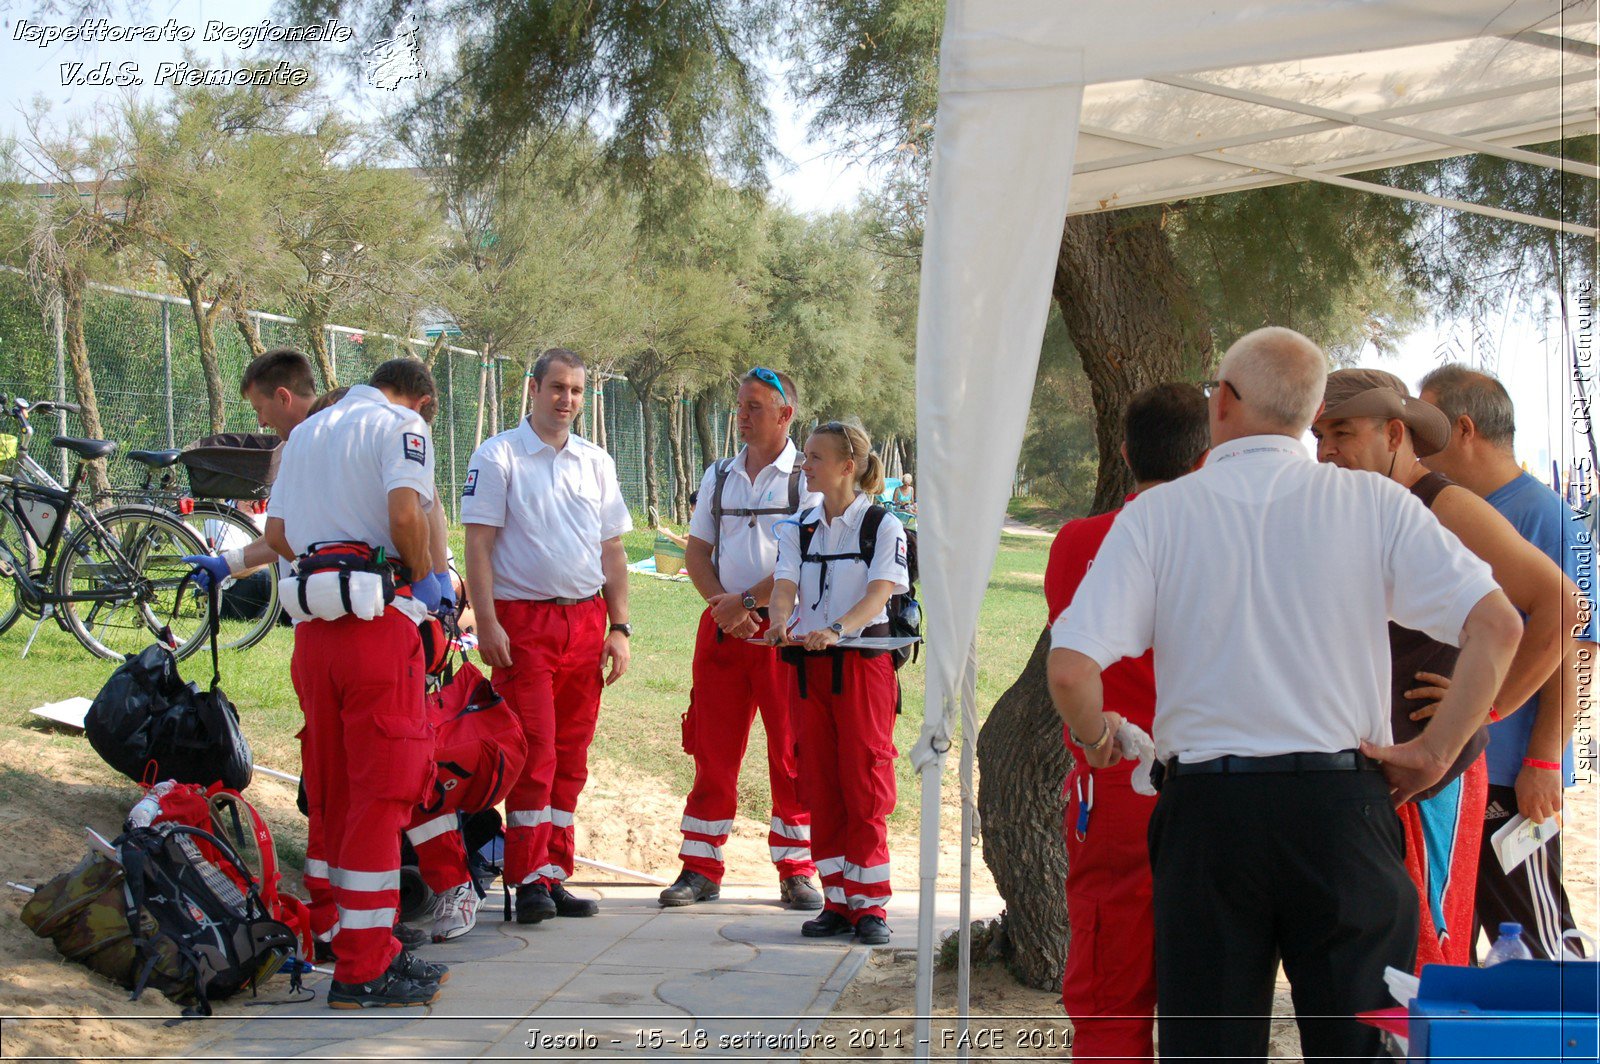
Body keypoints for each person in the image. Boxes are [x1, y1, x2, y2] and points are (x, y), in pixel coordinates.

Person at [1048, 327, 1522, 1061]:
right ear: (1308, 414)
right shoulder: (1374, 503)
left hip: (1210, 815)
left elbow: (1072, 669)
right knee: (1360, 1046)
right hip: (1342, 807)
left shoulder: (1158, 515)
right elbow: (1498, 624)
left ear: (1225, 404)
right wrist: (1435, 750)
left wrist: (1093, 734)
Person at [1313, 367, 1576, 969]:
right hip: (1377, 772)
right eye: (1319, 435)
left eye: (1343, 433)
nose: (1327, 452)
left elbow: (1559, 608)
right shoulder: (1363, 506)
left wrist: (1483, 708)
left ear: (1395, 434)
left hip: (1438, 779)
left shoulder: (1443, 504)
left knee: (1431, 956)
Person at [263, 356, 452, 1008]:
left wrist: (331, 555)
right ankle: (366, 968)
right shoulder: (402, 425)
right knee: (383, 792)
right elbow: (406, 516)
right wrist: (422, 580)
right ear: (422, 401)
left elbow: (279, 534)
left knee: (334, 790)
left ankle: (340, 937)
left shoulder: (306, 433)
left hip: (313, 634)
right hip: (378, 629)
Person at [1044, 383, 1209, 1064]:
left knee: (1111, 992)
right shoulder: (1225, 541)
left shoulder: (1081, 541)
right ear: (1208, 458)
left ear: (1123, 451)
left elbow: (1070, 655)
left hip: (1113, 775)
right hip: (1214, 783)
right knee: (1213, 996)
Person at [1419, 363, 1595, 959]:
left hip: (1511, 774)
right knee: (1454, 938)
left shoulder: (1545, 515)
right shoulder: (1453, 510)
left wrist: (1543, 756)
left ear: (1463, 429)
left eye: (1429, 424)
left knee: (1539, 936)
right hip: (1462, 768)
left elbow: (1572, 646)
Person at [462, 347, 632, 924]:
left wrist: (619, 627)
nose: (566, 400)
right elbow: (478, 546)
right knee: (533, 753)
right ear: (532, 389)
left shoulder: (595, 462)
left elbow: (612, 550)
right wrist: (485, 623)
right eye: (557, 387)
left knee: (570, 757)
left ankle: (555, 871)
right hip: (523, 625)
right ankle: (527, 876)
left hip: (585, 623)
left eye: (577, 391)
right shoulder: (498, 456)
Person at [660, 367, 823, 910]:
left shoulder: (806, 477)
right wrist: (721, 607)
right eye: (740, 406)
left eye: (755, 407)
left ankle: (796, 868)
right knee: (712, 748)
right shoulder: (720, 474)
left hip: (782, 633)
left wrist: (747, 604)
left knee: (791, 753)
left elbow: (802, 561)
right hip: (723, 632)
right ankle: (700, 867)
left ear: (785, 415)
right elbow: (697, 552)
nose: (743, 417)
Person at [766, 421, 909, 946]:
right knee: (820, 781)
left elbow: (880, 595)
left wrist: (836, 629)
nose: (805, 465)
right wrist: (781, 620)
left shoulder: (881, 525)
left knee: (865, 782)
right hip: (809, 666)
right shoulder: (799, 526)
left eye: (816, 457)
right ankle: (838, 900)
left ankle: (871, 905)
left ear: (848, 467)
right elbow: (784, 584)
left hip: (861, 664)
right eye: (805, 456)